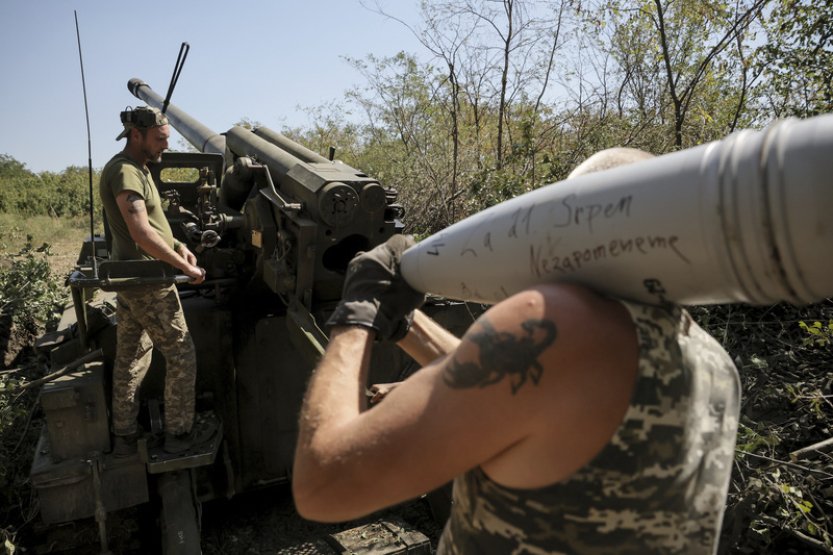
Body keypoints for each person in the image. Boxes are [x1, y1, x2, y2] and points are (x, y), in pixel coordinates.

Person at [292, 148, 741, 554]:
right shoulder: (713, 360)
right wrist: (406, 323)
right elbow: (516, 392)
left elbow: (324, 486)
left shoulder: (558, 322)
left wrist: (356, 315)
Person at [100, 106, 208, 456]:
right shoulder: (125, 171)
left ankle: (125, 436)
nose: (165, 145)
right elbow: (141, 232)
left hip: (136, 278)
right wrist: (185, 268)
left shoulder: (140, 170)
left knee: (131, 356)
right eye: (160, 139)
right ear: (137, 135)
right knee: (181, 355)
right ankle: (179, 436)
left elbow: (155, 224)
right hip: (147, 281)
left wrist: (179, 245)